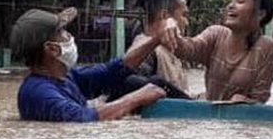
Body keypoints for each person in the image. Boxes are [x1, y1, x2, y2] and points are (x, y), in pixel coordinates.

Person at [11, 7, 167, 122]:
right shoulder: (38, 93)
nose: (69, 36)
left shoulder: (66, 77)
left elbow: (112, 71)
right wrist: (137, 98)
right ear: (52, 49)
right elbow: (85, 118)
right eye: (63, 31)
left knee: (138, 82)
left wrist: (156, 39)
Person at [162, 0, 273, 103]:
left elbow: (260, 99)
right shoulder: (216, 34)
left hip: (240, 117)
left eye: (240, 1)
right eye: (232, 1)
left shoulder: (266, 47)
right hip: (210, 114)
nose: (231, 6)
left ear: (260, 14)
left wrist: (247, 101)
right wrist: (169, 23)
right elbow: (186, 49)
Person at [131, 0, 192, 96]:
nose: (187, 22)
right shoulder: (146, 52)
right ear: (165, 15)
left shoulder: (171, 50)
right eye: (184, 15)